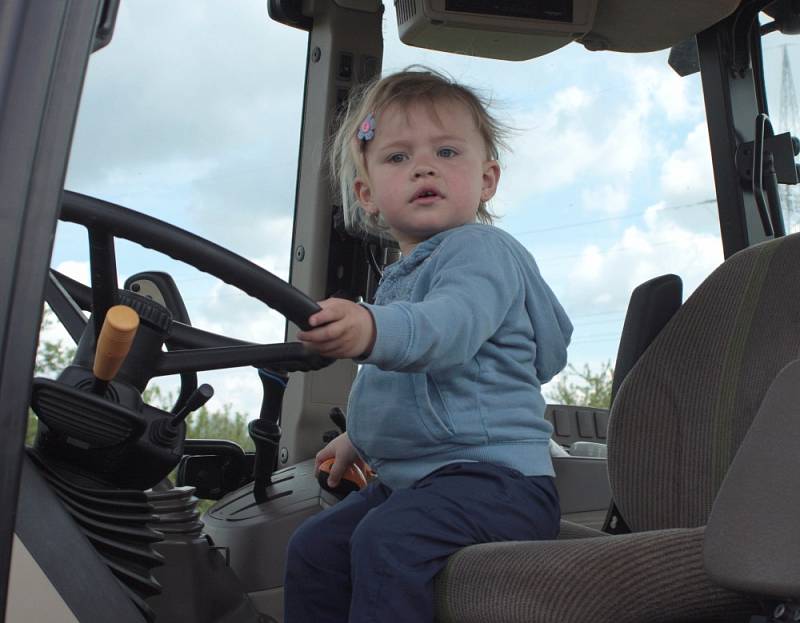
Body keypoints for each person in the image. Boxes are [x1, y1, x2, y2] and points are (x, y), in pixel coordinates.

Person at [284, 67, 572, 623]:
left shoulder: (479, 253)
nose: (423, 166)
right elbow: (409, 384)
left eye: (446, 151)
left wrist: (370, 329)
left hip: (499, 483)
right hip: (421, 482)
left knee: (386, 541)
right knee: (315, 548)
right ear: (367, 194)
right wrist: (357, 439)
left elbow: (446, 330)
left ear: (487, 179)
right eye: (397, 157)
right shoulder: (406, 275)